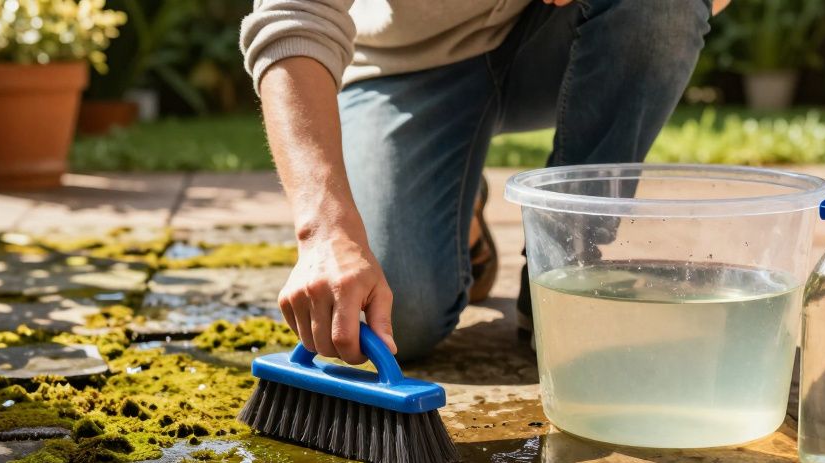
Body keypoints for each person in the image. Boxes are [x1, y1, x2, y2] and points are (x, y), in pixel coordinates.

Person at [241, 0, 726, 365]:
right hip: (407, 69)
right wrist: (325, 231)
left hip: (556, 45)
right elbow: (292, 17)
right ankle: (460, 201)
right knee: (393, 318)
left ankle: (563, 270)